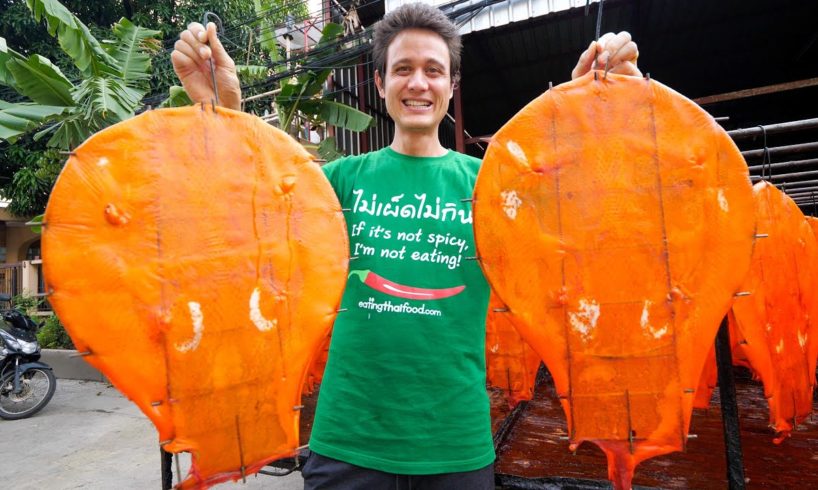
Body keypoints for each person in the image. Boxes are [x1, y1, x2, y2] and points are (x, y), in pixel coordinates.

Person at [172, 3, 639, 489]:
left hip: (456, 445)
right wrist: (224, 113)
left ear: (451, 86)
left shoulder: (492, 189)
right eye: (403, 69)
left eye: (433, 70)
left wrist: (599, 111)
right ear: (380, 84)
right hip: (346, 443)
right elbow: (248, 222)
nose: (418, 83)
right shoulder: (337, 184)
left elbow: (588, 225)